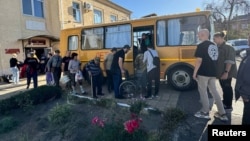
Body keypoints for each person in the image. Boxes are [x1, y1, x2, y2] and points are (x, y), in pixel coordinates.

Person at [193, 29, 228, 121]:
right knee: (214, 92)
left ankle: (205, 112)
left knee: (203, 92)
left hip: (203, 73)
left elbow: (199, 61)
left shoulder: (201, 46)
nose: (198, 36)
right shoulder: (214, 45)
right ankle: (222, 113)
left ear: (203, 34)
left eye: (199, 35)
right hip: (213, 73)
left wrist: (194, 73)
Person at [213, 32, 237, 111]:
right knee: (223, 88)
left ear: (220, 38)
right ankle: (225, 101)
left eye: (215, 39)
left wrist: (226, 72)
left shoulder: (228, 47)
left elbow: (229, 61)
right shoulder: (218, 47)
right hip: (221, 73)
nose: (214, 40)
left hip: (226, 73)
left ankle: (228, 105)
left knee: (227, 88)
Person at [235, 49, 250, 125]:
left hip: (247, 93)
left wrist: (245, 94)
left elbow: (248, 77)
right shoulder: (247, 54)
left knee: (247, 118)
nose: (248, 40)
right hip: (246, 93)